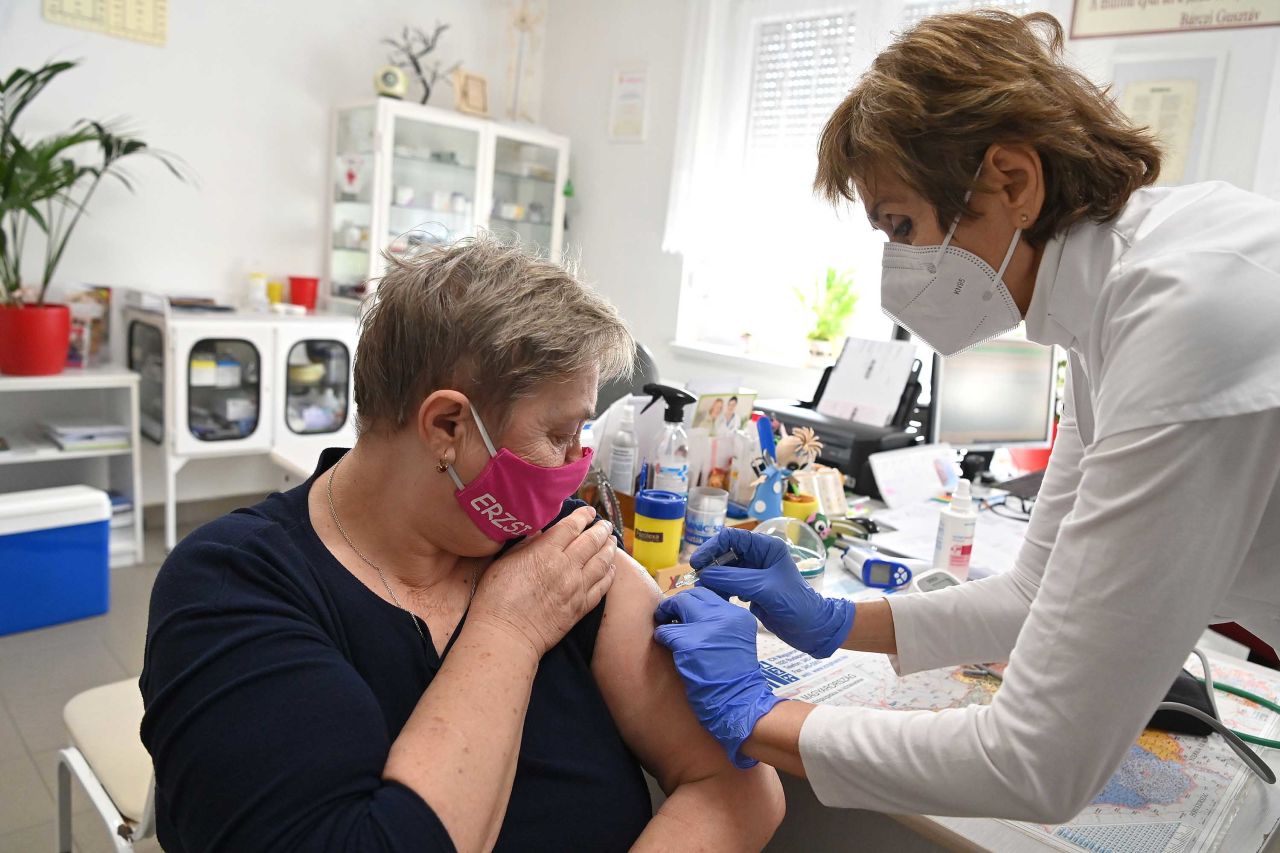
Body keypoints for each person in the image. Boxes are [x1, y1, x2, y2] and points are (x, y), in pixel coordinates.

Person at [653, 9, 1280, 824]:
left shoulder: (1186, 311)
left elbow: (1038, 762)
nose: (897, 267)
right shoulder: (1111, 312)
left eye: (903, 226)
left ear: (1012, 181)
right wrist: (834, 618)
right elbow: (1034, 591)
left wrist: (755, 712)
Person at [141, 236, 784, 852]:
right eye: (560, 433)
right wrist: (510, 627)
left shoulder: (555, 547)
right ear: (447, 425)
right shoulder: (232, 585)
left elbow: (740, 786)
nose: (577, 465)